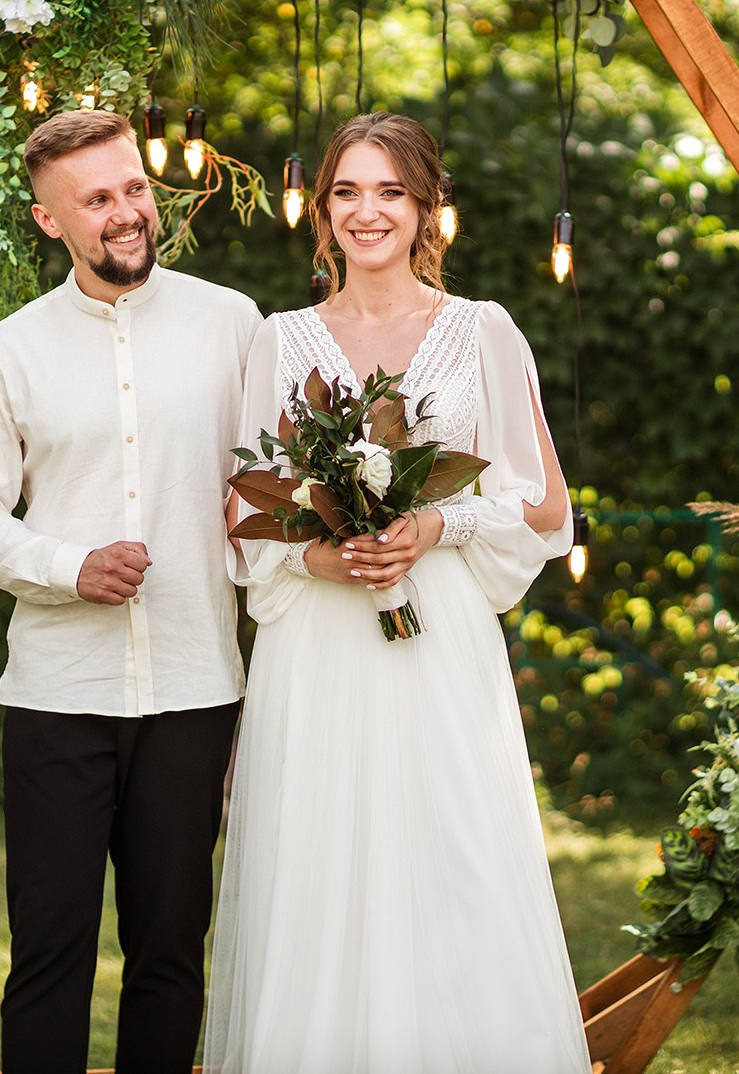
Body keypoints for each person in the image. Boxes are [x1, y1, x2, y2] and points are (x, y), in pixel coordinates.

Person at [206, 111, 590, 1072]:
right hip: (321, 645)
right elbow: (243, 508)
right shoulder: (279, 340)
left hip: (440, 639)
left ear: (427, 209)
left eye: (390, 192)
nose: (365, 211)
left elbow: (546, 504)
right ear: (323, 210)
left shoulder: (482, 331)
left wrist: (434, 524)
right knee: (321, 863)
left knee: (452, 847)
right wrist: (319, 556)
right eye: (345, 191)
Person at [0, 108, 261, 1074]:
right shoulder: (12, 350)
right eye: (98, 199)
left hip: (196, 687)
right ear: (49, 222)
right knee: (50, 955)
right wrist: (65, 566)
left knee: (170, 954)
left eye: (133, 188)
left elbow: (276, 493)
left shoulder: (232, 323)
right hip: (56, 695)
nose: (126, 212)